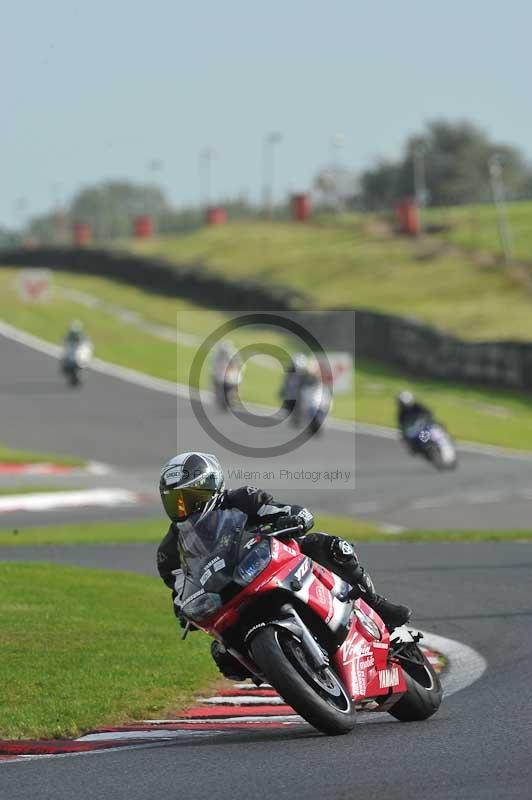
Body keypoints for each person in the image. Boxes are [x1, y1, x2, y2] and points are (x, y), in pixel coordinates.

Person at [156, 452, 411, 679]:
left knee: (326, 546)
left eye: (189, 499)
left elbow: (283, 510)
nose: (183, 508)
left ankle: (376, 603)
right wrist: (183, 609)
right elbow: (181, 591)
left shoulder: (243, 499)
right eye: (175, 502)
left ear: (211, 488)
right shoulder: (169, 553)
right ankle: (285, 672)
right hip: (229, 595)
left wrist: (294, 518)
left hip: (270, 564)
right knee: (224, 657)